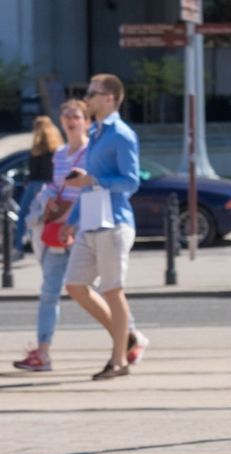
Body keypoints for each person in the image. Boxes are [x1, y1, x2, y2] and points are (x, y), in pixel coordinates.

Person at [61, 73, 149, 380]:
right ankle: (126, 337)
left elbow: (131, 182)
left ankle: (119, 361)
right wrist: (71, 221)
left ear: (109, 97)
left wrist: (94, 179)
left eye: (93, 93)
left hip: (114, 223)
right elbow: (89, 184)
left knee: (112, 290)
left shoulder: (122, 134)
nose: (88, 98)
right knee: (74, 285)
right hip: (91, 221)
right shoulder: (97, 133)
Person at [13, 101, 90, 372]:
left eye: (76, 116)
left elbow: (91, 191)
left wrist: (71, 221)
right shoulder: (58, 154)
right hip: (56, 232)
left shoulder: (91, 151)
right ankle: (43, 353)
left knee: (98, 290)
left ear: (86, 121)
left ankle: (127, 336)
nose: (70, 120)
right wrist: (46, 204)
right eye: (66, 115)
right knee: (49, 292)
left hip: (81, 231)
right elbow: (56, 188)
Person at [16, 116, 61, 253]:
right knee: (47, 215)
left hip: (36, 184)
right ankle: (49, 242)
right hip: (51, 183)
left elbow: (34, 170)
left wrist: (28, 179)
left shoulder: (37, 146)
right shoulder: (56, 146)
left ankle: (19, 246)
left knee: (25, 215)